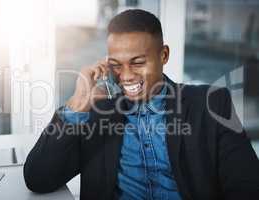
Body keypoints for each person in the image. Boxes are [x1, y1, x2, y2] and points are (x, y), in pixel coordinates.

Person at [23, 9, 259, 200]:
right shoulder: (96, 113)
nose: (125, 76)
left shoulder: (210, 104)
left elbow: (248, 187)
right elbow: (39, 178)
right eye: (116, 64)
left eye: (137, 62)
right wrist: (76, 105)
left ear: (164, 55)